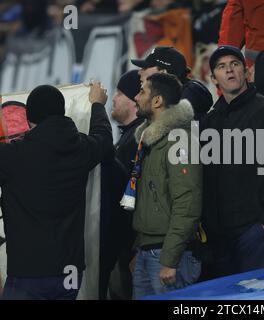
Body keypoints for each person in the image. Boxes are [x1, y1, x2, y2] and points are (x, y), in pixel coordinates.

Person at [0, 83, 112, 300]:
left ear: (28, 118)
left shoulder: (12, 156)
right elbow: (105, 139)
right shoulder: (81, 148)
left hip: (27, 274)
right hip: (69, 273)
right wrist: (98, 105)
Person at [201, 45, 264, 278]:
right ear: (213, 77)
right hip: (219, 240)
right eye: (222, 67)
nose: (230, 71)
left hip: (254, 235)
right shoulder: (210, 120)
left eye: (235, 64)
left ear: (246, 72)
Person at [131, 73, 202, 299]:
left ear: (157, 101)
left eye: (142, 91)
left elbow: (187, 202)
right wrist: (139, 248)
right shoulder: (151, 141)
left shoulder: (178, 139)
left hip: (168, 256)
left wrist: (170, 260)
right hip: (148, 251)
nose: (136, 97)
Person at [99, 70, 143, 300]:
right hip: (125, 246)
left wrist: (136, 248)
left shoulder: (138, 138)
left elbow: (140, 197)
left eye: (119, 93)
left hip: (131, 247)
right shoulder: (129, 137)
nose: (114, 99)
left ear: (134, 99)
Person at [131, 46, 213, 121]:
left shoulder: (183, 115)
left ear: (163, 73)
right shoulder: (173, 104)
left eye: (145, 67)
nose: (139, 72)